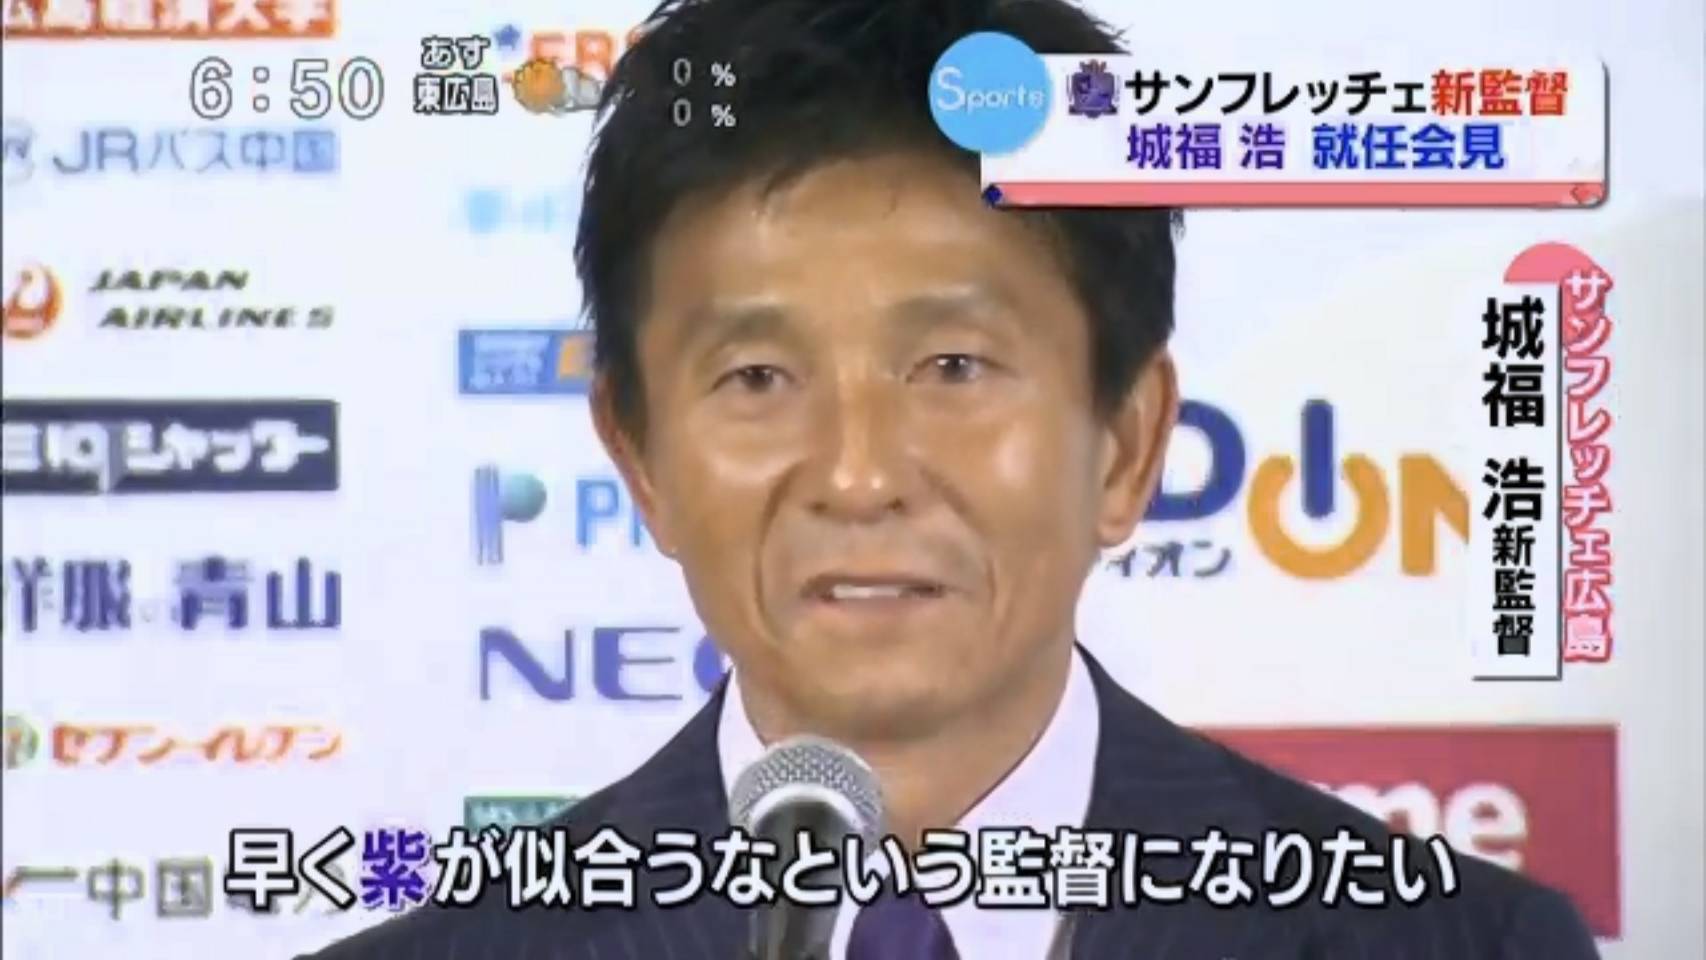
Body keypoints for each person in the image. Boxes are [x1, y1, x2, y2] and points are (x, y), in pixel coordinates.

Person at [306, 0, 1601, 956]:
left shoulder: (1461, 946)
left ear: (1127, 442)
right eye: (757, 376)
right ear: (638, 459)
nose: (859, 475)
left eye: (954, 365)